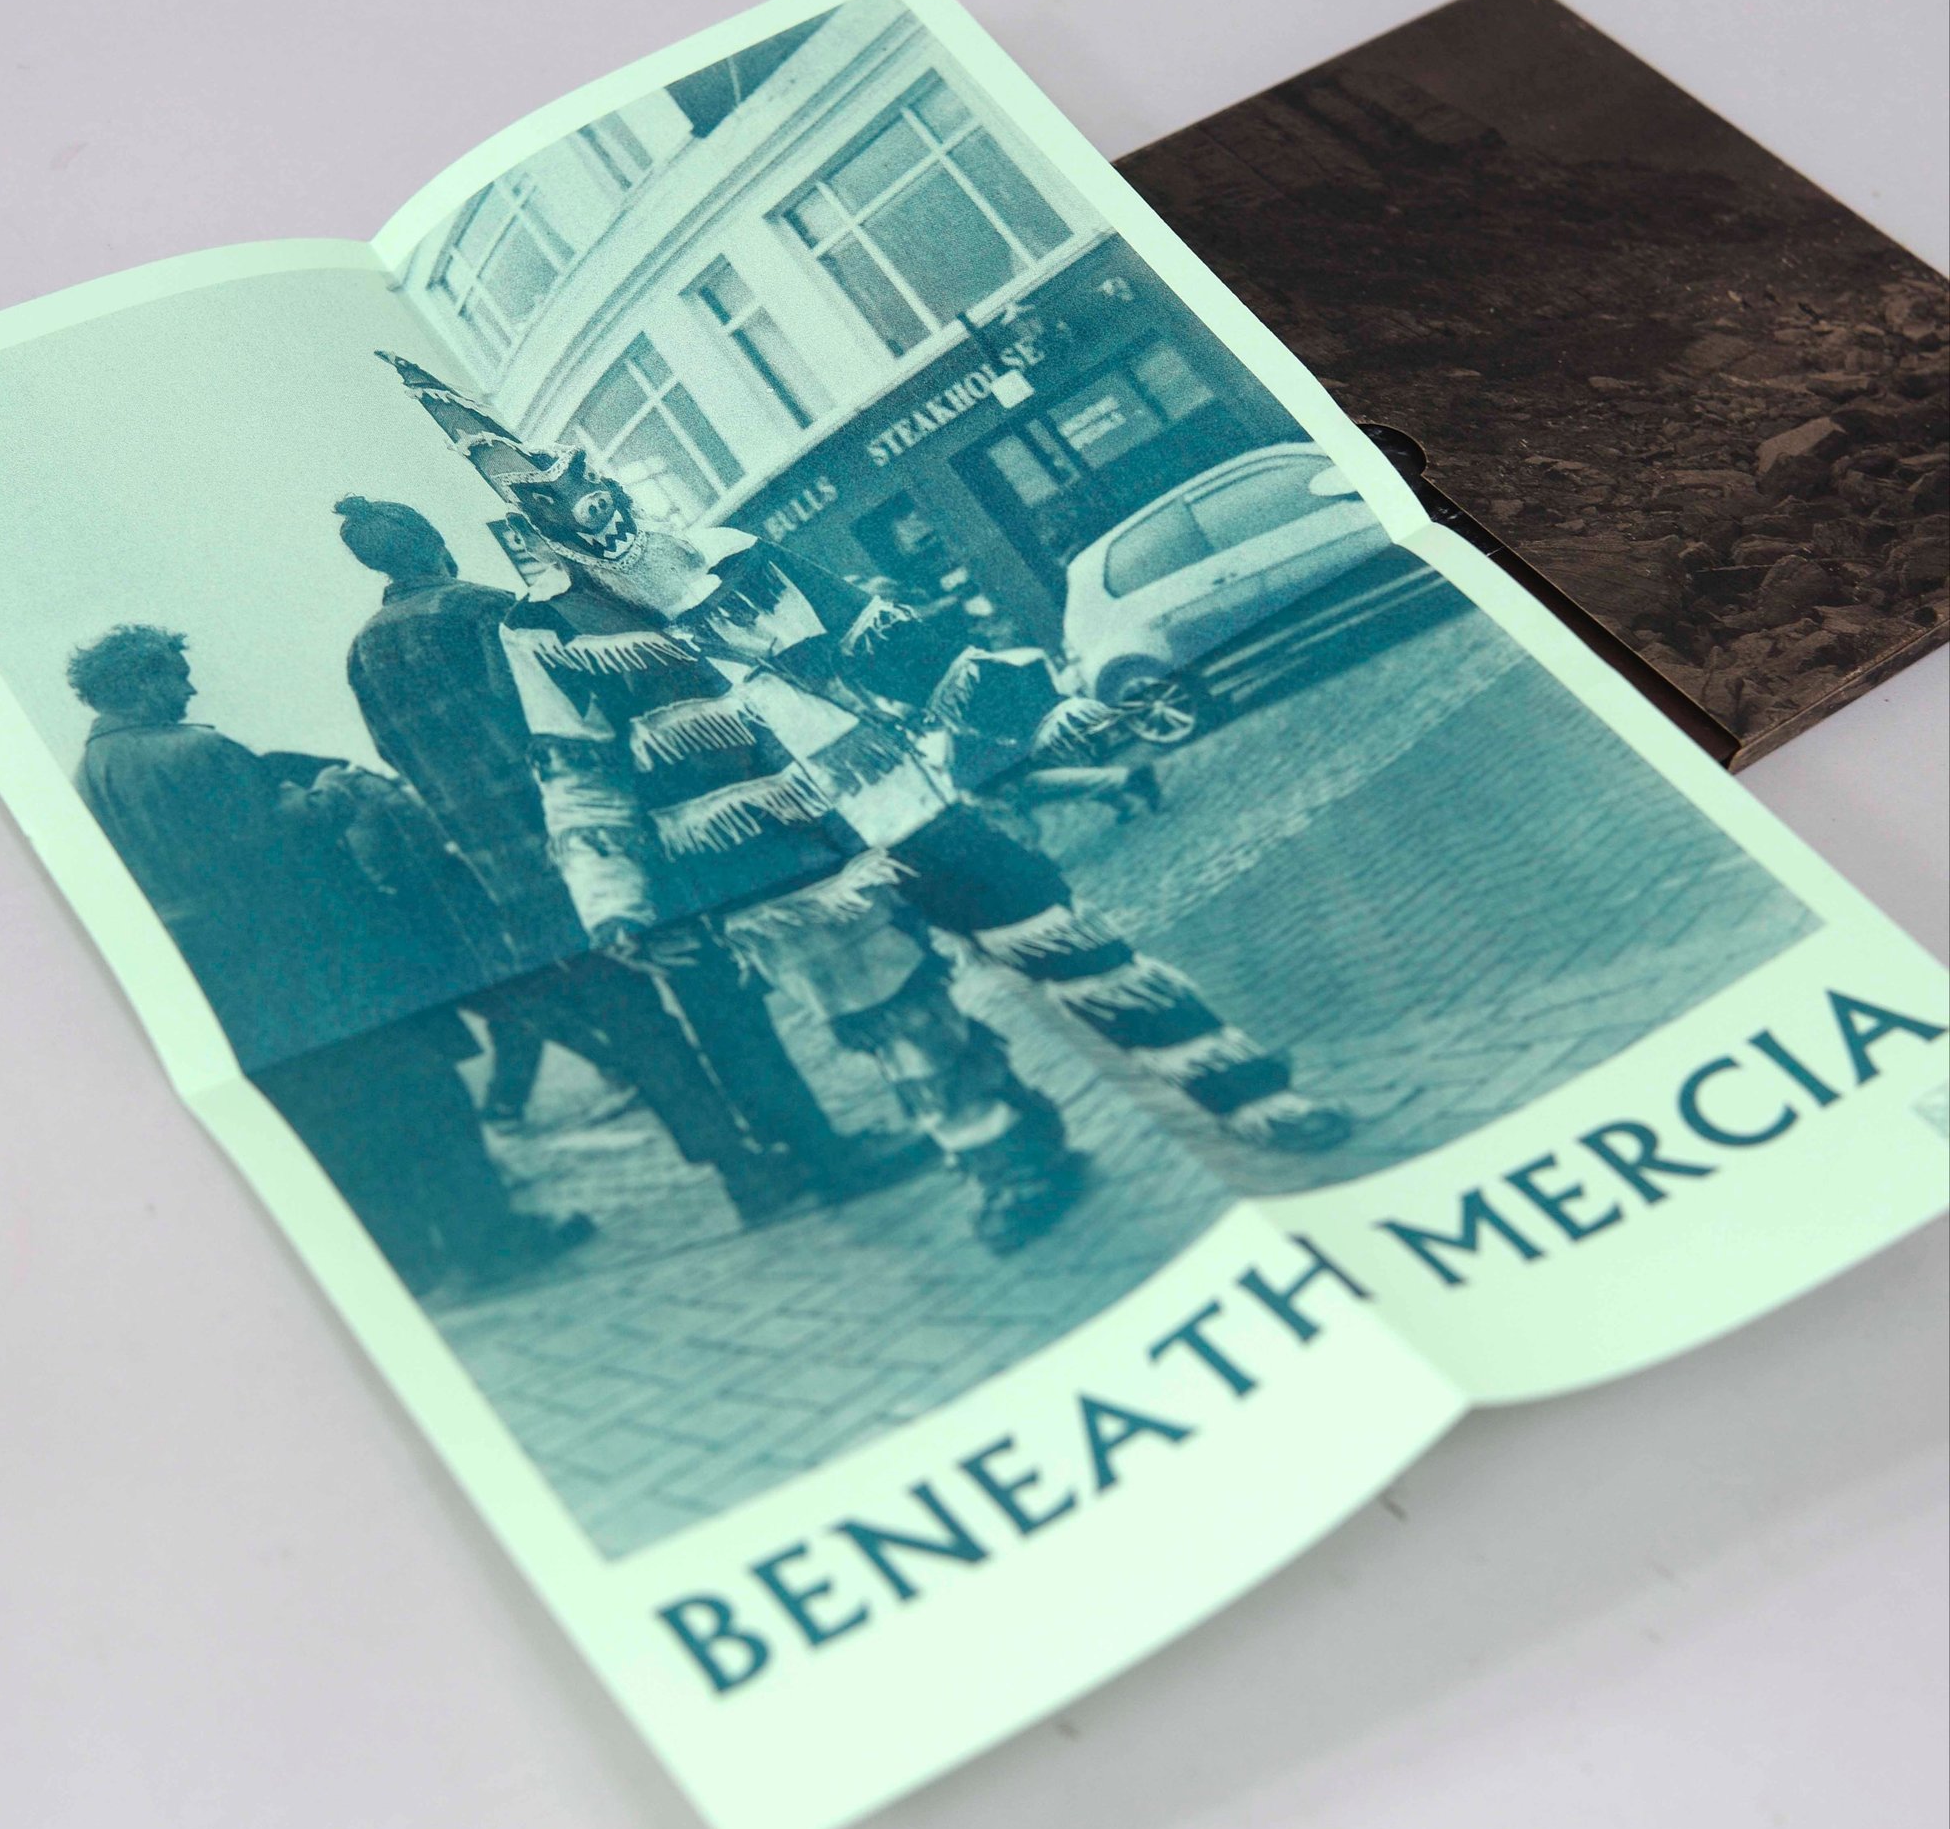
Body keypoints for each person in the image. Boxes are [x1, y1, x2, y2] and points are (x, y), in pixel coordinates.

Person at [381, 361, 1352, 1250]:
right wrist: (614, 901)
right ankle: (1012, 1161)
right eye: (566, 515)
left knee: (1067, 942)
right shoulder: (540, 632)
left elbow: (889, 642)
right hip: (780, 868)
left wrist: (1040, 709)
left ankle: (1247, 1094)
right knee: (900, 1027)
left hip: (896, 794)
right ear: (538, 529)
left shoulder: (733, 552)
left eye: (597, 497)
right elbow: (576, 768)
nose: (598, 524)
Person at [331, 494, 924, 1224]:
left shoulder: (363, 656)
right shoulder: (486, 611)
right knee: (719, 1001)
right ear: (433, 542)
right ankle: (819, 1154)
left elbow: (399, 759)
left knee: (640, 1032)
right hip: (602, 848)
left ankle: (744, 1175)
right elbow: (566, 723)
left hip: (518, 880)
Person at [66, 623, 590, 1301]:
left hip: (235, 986)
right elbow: (272, 845)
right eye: (175, 673)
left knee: (342, 1128)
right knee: (426, 1097)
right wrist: (332, 797)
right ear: (140, 680)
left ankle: (412, 1265)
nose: (189, 687)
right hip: (319, 963)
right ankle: (491, 1244)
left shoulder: (90, 776)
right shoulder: (196, 751)